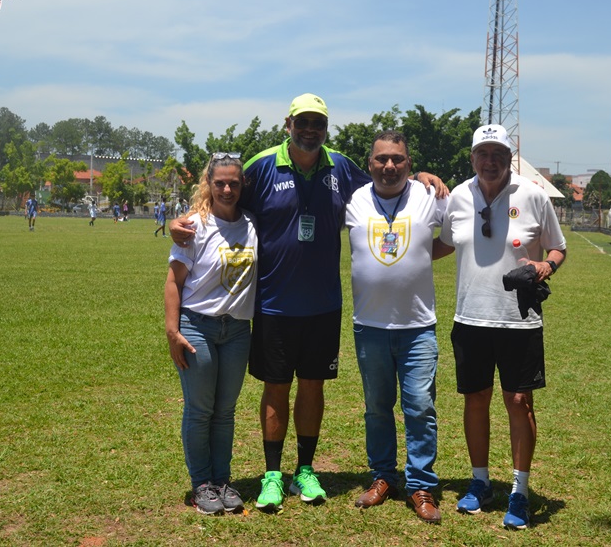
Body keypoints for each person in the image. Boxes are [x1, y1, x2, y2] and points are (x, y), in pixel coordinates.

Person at [170, 93, 446, 512]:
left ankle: (305, 469)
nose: (310, 130)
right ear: (288, 124)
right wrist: (186, 218)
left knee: (313, 387)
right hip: (272, 305)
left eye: (318, 123)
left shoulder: (341, 168)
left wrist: (422, 174)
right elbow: (225, 193)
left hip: (323, 305)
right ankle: (272, 475)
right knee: (275, 388)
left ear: (326, 128)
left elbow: (386, 181)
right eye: (303, 122)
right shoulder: (262, 166)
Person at [434, 124, 566, 530]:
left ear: (511, 158)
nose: (490, 162)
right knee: (475, 399)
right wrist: (401, 252)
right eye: (483, 154)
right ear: (472, 158)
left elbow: (558, 247)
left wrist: (546, 266)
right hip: (469, 318)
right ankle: (480, 482)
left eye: (498, 154)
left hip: (519, 320)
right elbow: (444, 244)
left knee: (519, 402)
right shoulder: (459, 196)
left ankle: (519, 491)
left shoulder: (533, 195)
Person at [345, 131, 448, 523]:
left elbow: (455, 236)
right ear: (370, 163)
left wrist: (419, 254)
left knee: (420, 407)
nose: (389, 166)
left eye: (398, 159)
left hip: (417, 326)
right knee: (376, 408)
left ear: (409, 162)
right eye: (382, 159)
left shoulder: (430, 196)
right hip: (369, 325)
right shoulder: (353, 200)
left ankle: (420, 484)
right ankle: (383, 476)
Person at [164, 152, 258, 515]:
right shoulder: (195, 226)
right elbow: (174, 281)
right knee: (201, 409)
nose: (227, 189)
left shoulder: (252, 223)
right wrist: (172, 331)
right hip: (197, 327)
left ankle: (221, 481)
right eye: (220, 183)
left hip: (237, 330)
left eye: (233, 183)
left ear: (242, 184)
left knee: (225, 411)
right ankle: (201, 484)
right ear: (209, 183)